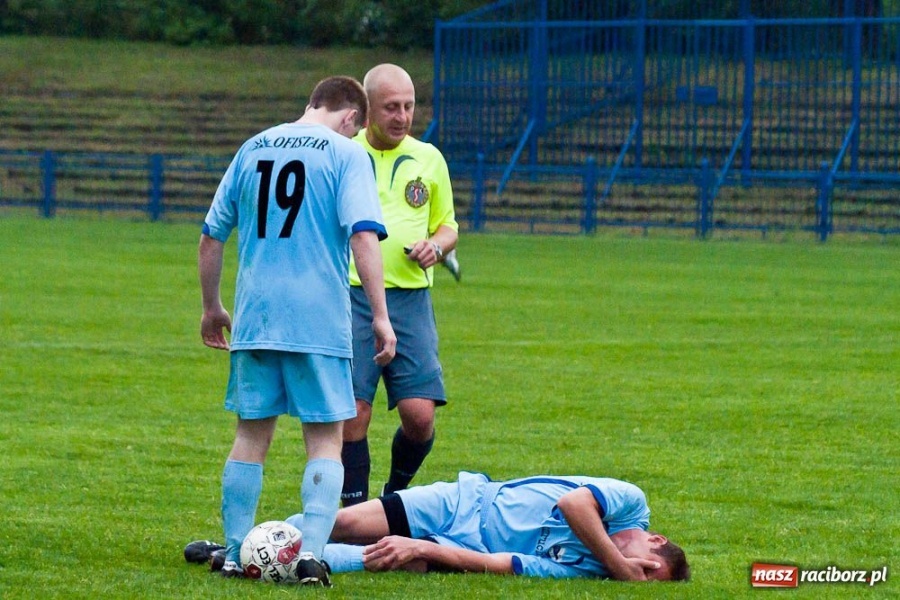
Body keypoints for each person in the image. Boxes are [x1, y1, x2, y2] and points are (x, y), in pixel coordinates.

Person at [197, 75, 397, 585]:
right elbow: (364, 236)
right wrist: (379, 314)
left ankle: (237, 552)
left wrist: (212, 307)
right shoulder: (346, 155)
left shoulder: (252, 146)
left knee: (250, 435)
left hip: (257, 318)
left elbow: (211, 236)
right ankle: (311, 557)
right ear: (352, 117)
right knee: (326, 441)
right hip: (318, 321)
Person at [186, 471, 690, 582]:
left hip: (464, 538)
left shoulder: (589, 574)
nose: (632, 575)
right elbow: (576, 502)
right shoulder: (630, 506)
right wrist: (620, 563)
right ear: (655, 541)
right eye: (646, 566)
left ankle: (258, 562)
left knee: (398, 557)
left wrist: (417, 548)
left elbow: (500, 563)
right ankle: (236, 545)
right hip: (462, 501)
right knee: (341, 522)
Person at [341, 63, 459, 507]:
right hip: (351, 296)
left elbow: (448, 226)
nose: (402, 116)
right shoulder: (343, 152)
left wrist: (436, 246)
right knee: (354, 413)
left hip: (410, 299)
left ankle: (394, 496)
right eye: (392, 107)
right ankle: (354, 515)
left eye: (409, 106)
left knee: (419, 417)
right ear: (368, 109)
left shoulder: (429, 158)